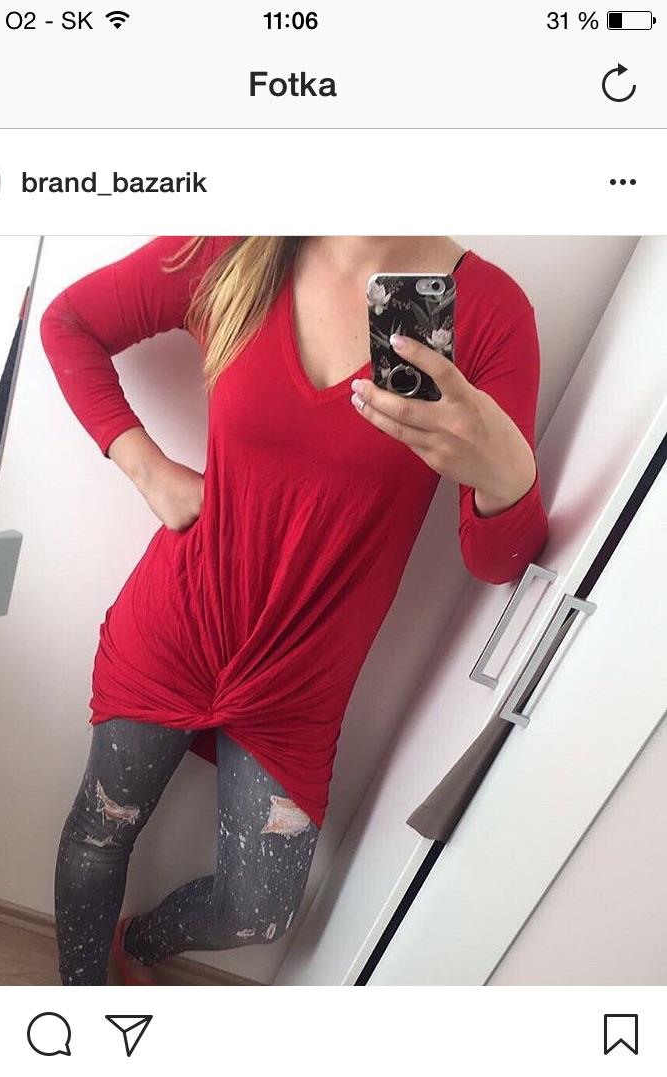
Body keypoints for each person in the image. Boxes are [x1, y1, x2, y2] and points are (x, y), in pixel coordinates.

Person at [41, 235, 548, 985]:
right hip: (179, 623)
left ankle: (138, 943)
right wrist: (148, 469)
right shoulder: (237, 245)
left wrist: (508, 475)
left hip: (299, 681)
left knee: (260, 909)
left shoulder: (490, 315)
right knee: (100, 832)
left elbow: (496, 564)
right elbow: (68, 322)